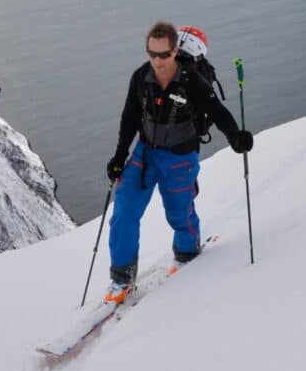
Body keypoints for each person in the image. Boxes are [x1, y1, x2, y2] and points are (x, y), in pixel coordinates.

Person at [105, 21, 253, 300]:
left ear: (174, 52)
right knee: (124, 209)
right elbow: (129, 118)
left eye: (163, 55)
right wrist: (119, 156)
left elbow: (217, 112)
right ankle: (121, 278)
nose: (157, 61)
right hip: (145, 153)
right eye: (152, 54)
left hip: (180, 157)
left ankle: (186, 253)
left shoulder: (192, 81)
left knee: (178, 210)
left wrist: (236, 138)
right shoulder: (141, 78)